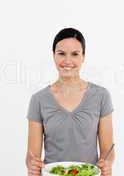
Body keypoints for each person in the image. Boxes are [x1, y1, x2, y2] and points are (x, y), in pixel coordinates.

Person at [25, 28, 115, 176]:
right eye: (61, 53)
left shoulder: (101, 96)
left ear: (83, 57)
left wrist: (106, 164)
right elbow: (31, 156)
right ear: (53, 55)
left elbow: (108, 152)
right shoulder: (38, 99)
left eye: (75, 54)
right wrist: (32, 165)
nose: (67, 61)